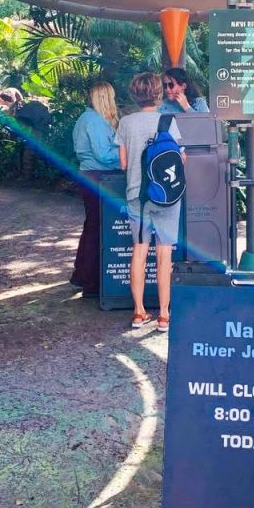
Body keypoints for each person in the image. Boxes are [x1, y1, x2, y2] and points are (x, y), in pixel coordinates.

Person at [115, 72, 184, 332]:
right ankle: (164, 315)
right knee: (164, 253)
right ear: (157, 93)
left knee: (139, 251)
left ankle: (138, 312)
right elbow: (180, 158)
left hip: (137, 196)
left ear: (135, 94)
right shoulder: (168, 121)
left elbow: (123, 163)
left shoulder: (126, 123)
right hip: (166, 197)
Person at [70, 81, 121, 297]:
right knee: (98, 228)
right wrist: (127, 157)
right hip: (98, 177)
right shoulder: (95, 121)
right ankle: (91, 282)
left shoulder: (87, 118)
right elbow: (104, 155)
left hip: (90, 175)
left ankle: (82, 276)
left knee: (92, 226)